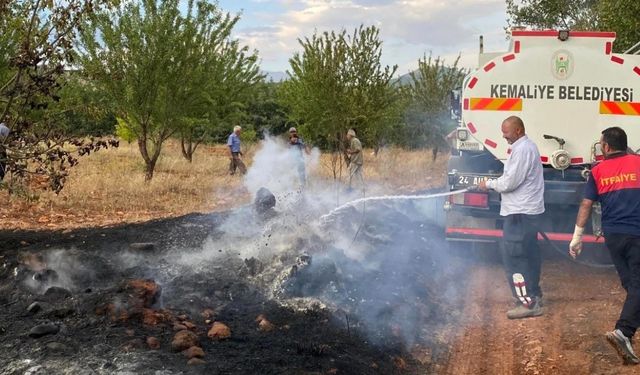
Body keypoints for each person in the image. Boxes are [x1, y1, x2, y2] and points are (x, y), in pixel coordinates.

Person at [569, 127, 640, 365]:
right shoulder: (638, 164)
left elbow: (586, 205)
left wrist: (577, 238)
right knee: (638, 286)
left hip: (613, 237)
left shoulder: (598, 171)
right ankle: (624, 332)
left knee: (632, 284)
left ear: (607, 147)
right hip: (637, 234)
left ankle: (627, 335)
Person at [478, 115, 545, 319]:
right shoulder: (525, 147)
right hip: (526, 212)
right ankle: (534, 294)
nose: (503, 136)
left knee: (515, 258)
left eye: (506, 132)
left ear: (518, 130)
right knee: (528, 254)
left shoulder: (523, 149)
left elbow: (510, 183)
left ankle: (527, 303)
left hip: (519, 213)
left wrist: (488, 184)